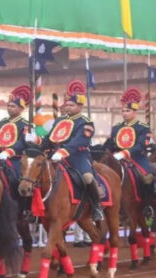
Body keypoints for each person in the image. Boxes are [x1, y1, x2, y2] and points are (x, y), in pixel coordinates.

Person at [31, 80, 103, 221]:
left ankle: (96, 206)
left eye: (72, 105)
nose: (68, 107)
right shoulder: (59, 121)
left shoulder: (85, 122)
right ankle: (36, 210)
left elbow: (80, 141)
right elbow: (49, 139)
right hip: (55, 156)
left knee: (87, 178)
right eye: (67, 105)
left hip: (78, 156)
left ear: (80, 106)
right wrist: (37, 144)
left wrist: (63, 152)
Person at [107, 87, 155, 216]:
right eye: (123, 111)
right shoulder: (116, 128)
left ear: (135, 112)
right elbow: (111, 144)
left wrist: (125, 153)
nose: (124, 113)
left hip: (137, 158)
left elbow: (140, 145)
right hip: (117, 157)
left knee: (147, 178)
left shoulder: (143, 128)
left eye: (127, 111)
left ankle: (147, 205)